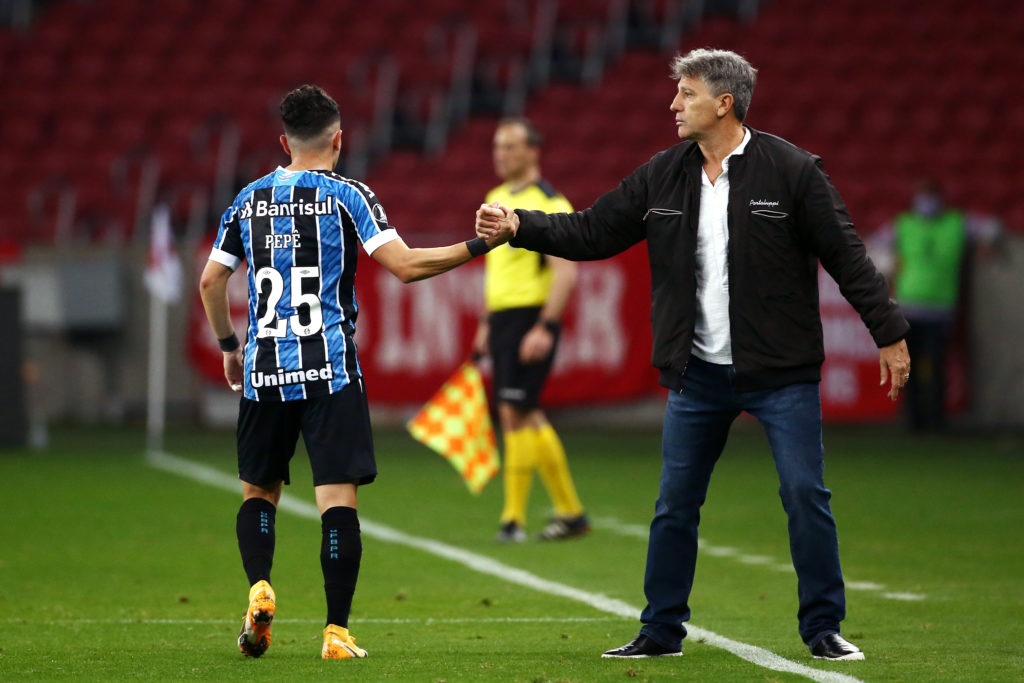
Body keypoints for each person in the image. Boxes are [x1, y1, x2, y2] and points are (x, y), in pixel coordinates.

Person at [477, 49, 911, 661]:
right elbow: (594, 231)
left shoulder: (792, 171)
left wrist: (888, 333)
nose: (673, 105)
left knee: (804, 495)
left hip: (780, 374)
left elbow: (847, 257)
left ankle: (823, 628)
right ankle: (660, 630)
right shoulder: (663, 173)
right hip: (697, 374)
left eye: (686, 94)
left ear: (724, 102)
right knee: (674, 505)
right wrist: (521, 223)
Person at [199, 84, 513, 661]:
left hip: (265, 367)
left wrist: (227, 345)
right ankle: (336, 633)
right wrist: (479, 246)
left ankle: (259, 587)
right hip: (330, 370)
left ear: (283, 142)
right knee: (337, 498)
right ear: (338, 138)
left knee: (257, 492)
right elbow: (407, 266)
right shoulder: (349, 195)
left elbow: (211, 282)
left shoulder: (246, 200)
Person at [471, 118, 589, 543]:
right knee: (523, 411)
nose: (500, 154)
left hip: (531, 318)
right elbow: (495, 267)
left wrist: (546, 326)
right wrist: (486, 322)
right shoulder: (495, 198)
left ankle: (512, 518)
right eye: (497, 146)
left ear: (532, 152)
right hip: (504, 319)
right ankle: (570, 513)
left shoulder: (551, 203)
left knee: (514, 411)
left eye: (510, 146)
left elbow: (565, 273)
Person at [876, 179, 1001, 431]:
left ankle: (935, 420)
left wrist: (987, 243)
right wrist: (886, 266)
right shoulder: (904, 224)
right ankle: (912, 421)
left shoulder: (956, 223)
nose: (926, 203)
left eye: (930, 197)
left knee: (936, 368)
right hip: (906, 309)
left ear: (940, 199)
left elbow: (992, 227)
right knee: (906, 368)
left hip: (940, 311)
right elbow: (876, 246)